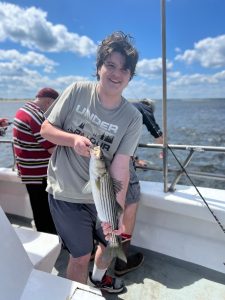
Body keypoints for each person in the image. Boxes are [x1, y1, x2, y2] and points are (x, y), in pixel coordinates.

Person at [40, 31, 142, 294]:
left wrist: (116, 212)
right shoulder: (77, 91)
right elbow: (46, 129)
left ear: (130, 76)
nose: (116, 74)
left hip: (102, 196)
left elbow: (120, 167)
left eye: (124, 69)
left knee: (110, 244)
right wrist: (73, 139)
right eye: (110, 65)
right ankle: (78, 294)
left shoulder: (132, 117)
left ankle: (98, 278)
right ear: (98, 68)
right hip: (67, 194)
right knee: (79, 256)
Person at [113, 98, 163, 277]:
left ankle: (97, 252)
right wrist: (163, 148)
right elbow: (156, 132)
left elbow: (121, 139)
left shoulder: (124, 108)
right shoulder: (143, 108)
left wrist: (135, 160)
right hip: (121, 164)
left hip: (105, 160)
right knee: (130, 206)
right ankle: (122, 261)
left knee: (106, 207)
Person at [13, 87, 59, 234]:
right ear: (48, 102)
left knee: (39, 208)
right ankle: (49, 239)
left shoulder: (23, 110)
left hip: (29, 170)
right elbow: (52, 148)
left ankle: (47, 235)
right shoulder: (36, 116)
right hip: (38, 174)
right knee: (43, 210)